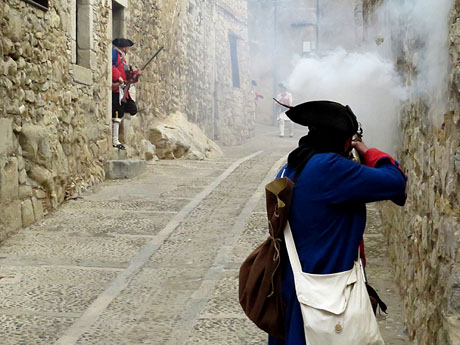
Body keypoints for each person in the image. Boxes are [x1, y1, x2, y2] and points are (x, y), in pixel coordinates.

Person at [268, 100, 407, 345]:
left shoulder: (290, 168)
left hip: (291, 289)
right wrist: (368, 153)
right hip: (326, 299)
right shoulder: (329, 169)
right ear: (343, 141)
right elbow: (396, 183)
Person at [111, 38, 143, 150]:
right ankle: (114, 140)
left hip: (123, 91)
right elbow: (111, 67)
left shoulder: (123, 60)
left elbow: (128, 76)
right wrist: (118, 78)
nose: (128, 49)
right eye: (127, 47)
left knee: (131, 109)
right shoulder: (114, 54)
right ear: (124, 47)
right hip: (116, 90)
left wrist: (136, 74)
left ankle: (116, 136)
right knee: (117, 114)